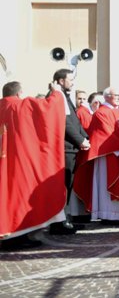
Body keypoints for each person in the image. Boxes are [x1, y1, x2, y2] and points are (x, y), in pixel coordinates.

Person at [0, 80, 67, 249]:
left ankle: (11, 235)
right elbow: (47, 109)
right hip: (19, 161)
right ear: (19, 94)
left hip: (5, 160)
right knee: (19, 197)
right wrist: (56, 92)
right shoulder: (21, 105)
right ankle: (14, 237)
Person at [72, 87, 119, 222]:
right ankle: (108, 215)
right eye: (115, 95)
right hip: (109, 154)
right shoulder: (101, 113)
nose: (118, 97)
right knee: (107, 183)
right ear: (106, 97)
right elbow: (106, 134)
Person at [49, 69, 90, 235]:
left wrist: (84, 136)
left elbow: (74, 120)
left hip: (71, 147)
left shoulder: (65, 97)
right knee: (64, 186)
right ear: (60, 81)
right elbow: (65, 123)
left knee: (69, 186)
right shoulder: (56, 98)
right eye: (70, 79)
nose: (72, 82)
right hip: (65, 148)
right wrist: (80, 140)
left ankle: (66, 219)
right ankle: (59, 223)